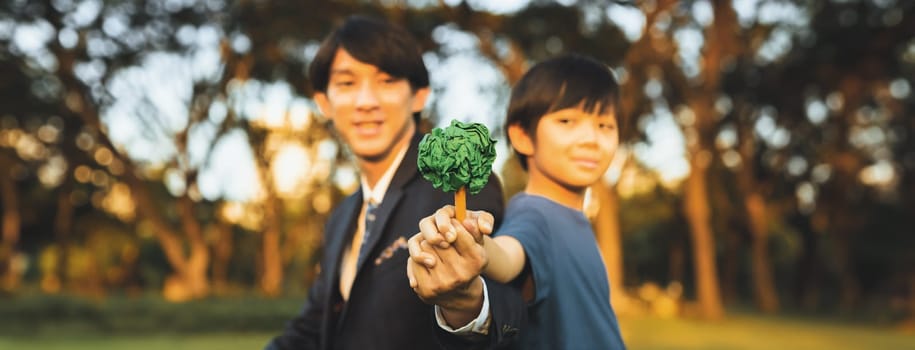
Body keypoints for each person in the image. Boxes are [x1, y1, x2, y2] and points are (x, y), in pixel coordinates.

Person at [265, 15, 523, 350]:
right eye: (347, 84)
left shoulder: (458, 186)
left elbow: (510, 308)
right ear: (323, 102)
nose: (366, 101)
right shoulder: (342, 216)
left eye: (386, 81)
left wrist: (466, 307)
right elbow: (314, 326)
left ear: (419, 96)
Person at [408, 53, 627, 349]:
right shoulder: (535, 214)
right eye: (567, 121)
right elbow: (507, 258)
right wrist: (474, 239)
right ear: (522, 136)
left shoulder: (573, 217)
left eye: (604, 125)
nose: (591, 138)